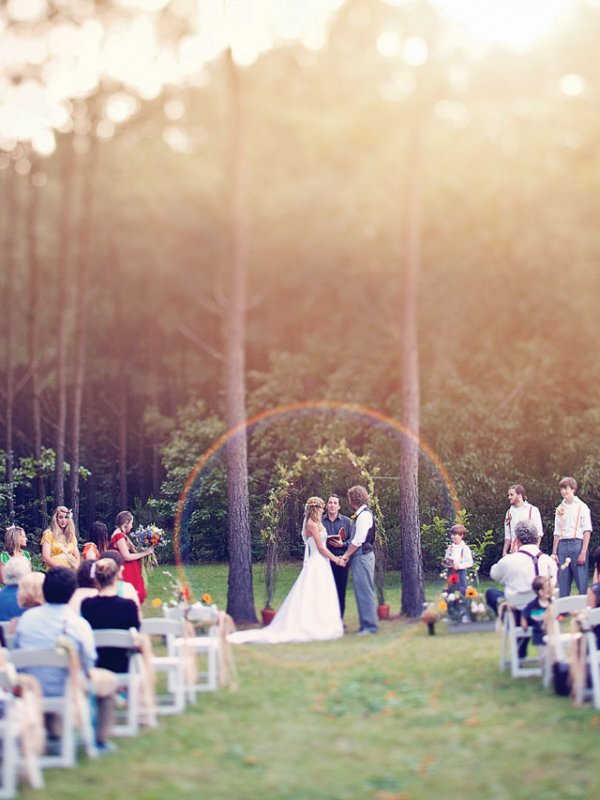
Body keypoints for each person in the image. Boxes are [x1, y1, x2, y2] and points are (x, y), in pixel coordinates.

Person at [14, 567, 116, 752]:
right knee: (109, 681)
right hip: (68, 687)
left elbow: (18, 652)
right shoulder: (78, 623)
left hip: (31, 686)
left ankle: (54, 731)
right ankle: (99, 739)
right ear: (72, 592)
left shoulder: (26, 619)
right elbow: (89, 661)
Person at [228, 497, 343, 644]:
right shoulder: (311, 524)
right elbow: (320, 548)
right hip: (317, 561)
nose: (323, 510)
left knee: (321, 592)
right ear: (316, 509)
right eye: (321, 508)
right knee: (313, 592)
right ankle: (311, 624)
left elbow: (321, 541)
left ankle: (321, 621)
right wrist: (337, 560)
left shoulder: (317, 523)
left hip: (322, 562)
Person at [80, 558, 140, 673]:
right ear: (117, 576)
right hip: (123, 665)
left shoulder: (86, 605)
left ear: (96, 578)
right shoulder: (129, 606)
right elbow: (136, 631)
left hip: (96, 665)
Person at [339, 485, 378, 635]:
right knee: (361, 591)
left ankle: (370, 626)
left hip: (362, 557)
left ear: (353, 499)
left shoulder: (364, 515)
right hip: (360, 557)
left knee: (365, 591)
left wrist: (346, 555)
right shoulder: (360, 514)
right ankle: (365, 625)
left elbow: (358, 540)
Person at [552, 476, 592, 597]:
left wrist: (583, 552)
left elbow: (587, 530)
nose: (563, 492)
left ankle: (585, 610)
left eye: (566, 489)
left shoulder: (582, 506)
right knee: (562, 580)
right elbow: (557, 532)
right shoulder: (560, 508)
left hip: (577, 544)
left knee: (581, 580)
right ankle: (563, 611)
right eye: (561, 489)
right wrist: (554, 553)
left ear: (573, 489)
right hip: (562, 546)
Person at [109, 511, 153, 604]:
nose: (132, 526)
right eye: (131, 523)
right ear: (126, 523)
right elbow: (126, 556)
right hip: (126, 570)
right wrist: (146, 553)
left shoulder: (121, 534)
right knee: (130, 597)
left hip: (129, 569)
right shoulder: (119, 536)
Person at [322, 494, 352, 618]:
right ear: (327, 505)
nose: (332, 505)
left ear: (339, 506)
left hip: (342, 560)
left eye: (335, 503)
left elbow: (353, 541)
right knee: (326, 591)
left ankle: (339, 619)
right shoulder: (321, 521)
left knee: (340, 590)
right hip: (325, 560)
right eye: (330, 503)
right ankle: (327, 619)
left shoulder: (347, 521)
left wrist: (342, 544)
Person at [503, 484, 543, 556]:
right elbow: (507, 535)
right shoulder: (509, 512)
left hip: (529, 551)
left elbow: (539, 533)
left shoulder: (533, 510)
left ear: (519, 495)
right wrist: (504, 551)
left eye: (511, 495)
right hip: (513, 552)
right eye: (508, 495)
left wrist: (536, 550)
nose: (509, 497)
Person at [521, 575, 553, 654]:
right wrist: (524, 621)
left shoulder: (552, 603)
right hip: (539, 634)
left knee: (556, 653)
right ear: (541, 592)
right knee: (544, 655)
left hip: (553, 633)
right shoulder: (533, 605)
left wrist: (572, 612)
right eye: (549, 590)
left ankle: (557, 665)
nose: (551, 591)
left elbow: (561, 611)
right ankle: (546, 666)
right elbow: (525, 612)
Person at [443, 524, 473, 595]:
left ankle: (464, 603)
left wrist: (459, 566)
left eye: (455, 535)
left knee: (462, 590)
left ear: (461, 535)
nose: (452, 536)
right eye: (452, 535)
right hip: (451, 571)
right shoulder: (451, 547)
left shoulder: (464, 548)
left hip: (460, 572)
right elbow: (447, 558)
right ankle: (451, 603)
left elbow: (469, 562)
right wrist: (448, 559)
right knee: (450, 590)